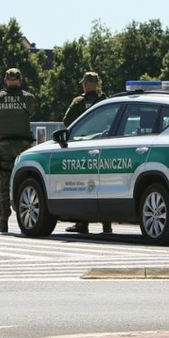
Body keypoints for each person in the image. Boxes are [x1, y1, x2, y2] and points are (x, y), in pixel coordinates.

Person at [63, 72, 113, 234]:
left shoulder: (79, 102)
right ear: (97, 85)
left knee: (82, 184)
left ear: (85, 84)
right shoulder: (105, 102)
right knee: (104, 183)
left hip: (83, 147)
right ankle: (107, 224)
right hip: (103, 146)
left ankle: (82, 224)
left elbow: (67, 121)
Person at [0, 68, 37, 234]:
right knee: (26, 181)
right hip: (23, 145)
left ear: (5, 81)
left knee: (4, 184)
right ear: (20, 80)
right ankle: (27, 218)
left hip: (4, 145)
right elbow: (31, 112)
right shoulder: (29, 98)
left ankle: (3, 222)